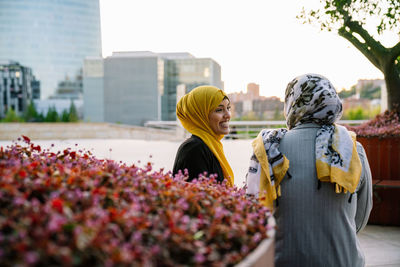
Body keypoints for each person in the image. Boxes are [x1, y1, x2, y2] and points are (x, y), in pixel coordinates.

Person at [246, 74, 372, 267]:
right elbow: (361, 215)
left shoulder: (268, 150)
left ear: (291, 102)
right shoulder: (352, 148)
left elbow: (254, 212)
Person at [172, 85, 234, 186]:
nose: (228, 115)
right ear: (200, 115)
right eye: (219, 110)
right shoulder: (194, 149)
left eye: (228, 108)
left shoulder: (210, 145)